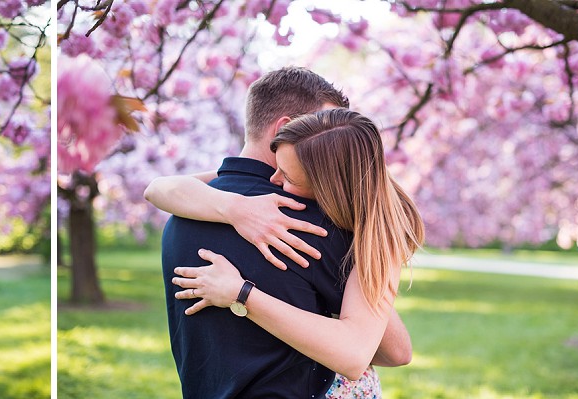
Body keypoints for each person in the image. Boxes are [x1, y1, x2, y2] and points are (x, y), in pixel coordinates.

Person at [144, 67, 413, 398]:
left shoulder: (181, 216)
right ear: (286, 131)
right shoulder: (312, 225)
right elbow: (393, 352)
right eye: (322, 125)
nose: (331, 139)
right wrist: (236, 210)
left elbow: (162, 188)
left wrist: (243, 292)